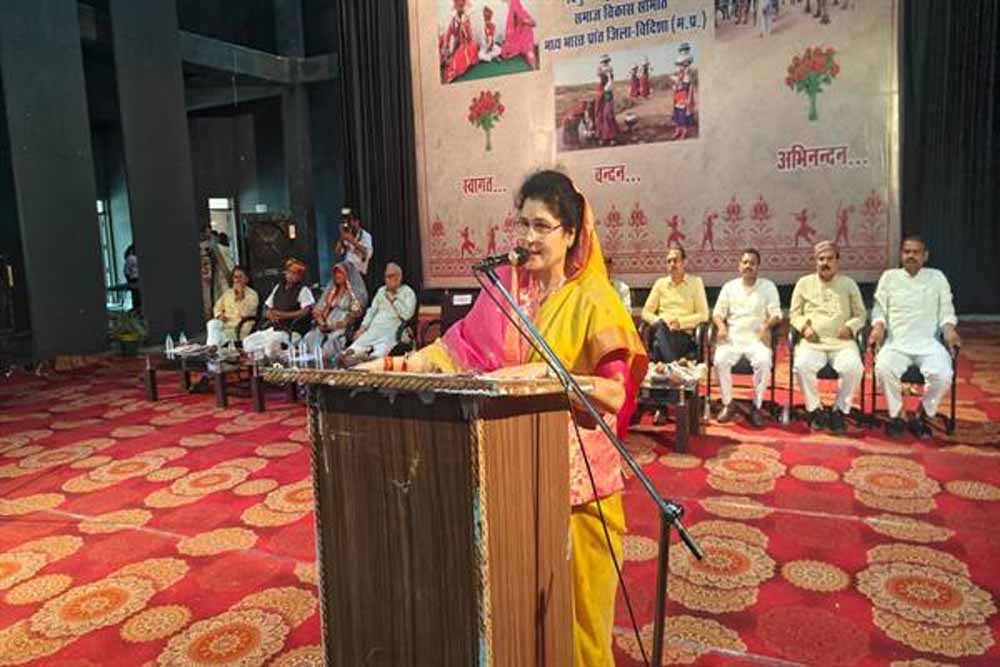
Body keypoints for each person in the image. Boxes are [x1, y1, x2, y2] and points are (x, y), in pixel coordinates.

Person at [361, 170, 647, 667]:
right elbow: (449, 353)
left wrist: (546, 377)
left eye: (542, 226)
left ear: (571, 233)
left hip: (582, 490)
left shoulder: (593, 299)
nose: (528, 237)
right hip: (514, 476)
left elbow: (615, 395)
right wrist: (390, 366)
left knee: (581, 625)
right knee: (520, 615)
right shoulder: (504, 295)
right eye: (523, 224)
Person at [869, 236, 960, 438]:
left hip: (929, 344)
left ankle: (922, 413)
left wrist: (949, 329)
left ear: (925, 256)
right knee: (883, 368)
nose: (911, 256)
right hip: (896, 343)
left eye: (916, 252)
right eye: (907, 252)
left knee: (943, 374)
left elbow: (946, 310)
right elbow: (879, 309)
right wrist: (878, 327)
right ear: (901, 255)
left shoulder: (937, 277)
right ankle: (898, 414)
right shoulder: (889, 277)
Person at [789, 240, 866, 433]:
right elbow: (794, 314)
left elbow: (861, 315)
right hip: (813, 343)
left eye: (830, 259)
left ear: (837, 261)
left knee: (854, 368)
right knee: (801, 366)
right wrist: (804, 328)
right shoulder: (804, 283)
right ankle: (815, 410)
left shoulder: (848, 284)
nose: (825, 263)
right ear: (815, 261)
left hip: (842, 343)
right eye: (821, 259)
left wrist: (850, 327)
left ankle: (839, 410)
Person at [712, 249, 782, 427]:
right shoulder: (729, 287)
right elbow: (717, 313)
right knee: (720, 360)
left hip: (757, 339)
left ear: (758, 267)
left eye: (752, 263)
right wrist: (721, 327)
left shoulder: (768, 287)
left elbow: (776, 313)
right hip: (732, 338)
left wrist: (766, 327)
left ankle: (756, 406)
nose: (748, 266)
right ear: (739, 266)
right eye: (745, 262)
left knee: (764, 362)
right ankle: (728, 403)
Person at [641, 246, 709, 364]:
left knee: (657, 346)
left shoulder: (695, 283)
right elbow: (645, 312)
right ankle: (675, 365)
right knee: (661, 330)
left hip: (683, 335)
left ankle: (670, 364)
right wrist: (659, 322)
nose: (672, 264)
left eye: (675, 260)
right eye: (669, 261)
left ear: (684, 262)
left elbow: (704, 315)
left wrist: (680, 323)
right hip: (662, 330)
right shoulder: (660, 284)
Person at [341, 262, 416, 365]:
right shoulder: (381, 291)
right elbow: (372, 311)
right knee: (354, 348)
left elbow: (407, 315)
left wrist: (394, 300)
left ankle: (371, 360)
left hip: (392, 329)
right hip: (374, 328)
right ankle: (352, 356)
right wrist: (362, 328)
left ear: (399, 277)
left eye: (390, 276)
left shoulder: (408, 293)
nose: (387, 280)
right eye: (386, 277)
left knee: (379, 355)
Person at [303, 261, 368, 362]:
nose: (337, 275)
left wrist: (334, 326)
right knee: (309, 338)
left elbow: (354, 315)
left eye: (340, 273)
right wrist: (321, 322)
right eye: (336, 273)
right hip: (325, 324)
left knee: (329, 345)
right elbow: (318, 310)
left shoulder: (355, 293)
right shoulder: (331, 290)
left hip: (342, 328)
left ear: (347, 275)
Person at [208, 265, 259, 344]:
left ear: (246, 279)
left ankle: (211, 347)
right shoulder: (228, 292)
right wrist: (219, 315)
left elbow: (245, 313)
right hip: (226, 324)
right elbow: (217, 307)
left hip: (240, 328)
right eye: (235, 277)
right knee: (212, 323)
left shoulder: (252, 294)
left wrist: (240, 295)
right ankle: (212, 346)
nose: (237, 280)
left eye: (240, 277)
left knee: (217, 336)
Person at [442, 0, 479, 83]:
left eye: (461, 5)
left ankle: (452, 72)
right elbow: (449, 33)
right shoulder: (454, 19)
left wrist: (462, 26)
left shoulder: (466, 19)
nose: (459, 7)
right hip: (457, 44)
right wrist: (447, 46)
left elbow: (468, 37)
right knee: (445, 54)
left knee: (458, 59)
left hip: (467, 44)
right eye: (457, 4)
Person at [335, 208, 374, 277]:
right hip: (348, 272)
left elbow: (366, 254)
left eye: (351, 221)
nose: (350, 225)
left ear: (357, 221)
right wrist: (342, 236)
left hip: (360, 273)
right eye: (348, 222)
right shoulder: (347, 234)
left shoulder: (366, 236)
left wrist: (352, 241)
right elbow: (337, 252)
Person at [499, 0, 537, 68]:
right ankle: (531, 60)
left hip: (522, 31)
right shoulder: (514, 12)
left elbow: (532, 23)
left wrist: (529, 21)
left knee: (527, 29)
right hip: (517, 31)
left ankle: (532, 61)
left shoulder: (521, 12)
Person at [595, 55, 621, 146]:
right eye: (603, 62)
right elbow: (598, 83)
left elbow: (609, 85)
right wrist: (600, 74)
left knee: (608, 114)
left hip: (607, 94)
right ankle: (602, 137)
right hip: (600, 95)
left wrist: (608, 76)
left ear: (608, 62)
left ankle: (612, 137)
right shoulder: (599, 71)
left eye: (606, 61)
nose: (604, 63)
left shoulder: (609, 72)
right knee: (600, 114)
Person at [671, 54, 697, 140]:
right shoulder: (678, 74)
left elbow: (691, 87)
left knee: (684, 115)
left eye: (682, 65)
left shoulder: (688, 75)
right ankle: (678, 130)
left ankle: (684, 132)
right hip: (678, 96)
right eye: (679, 65)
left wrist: (689, 98)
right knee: (677, 114)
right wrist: (675, 87)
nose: (680, 67)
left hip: (684, 96)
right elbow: (676, 85)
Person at [123, 244, 141, 315]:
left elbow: (126, 271)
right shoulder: (132, 258)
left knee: (135, 295)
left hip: (133, 278)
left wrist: (129, 280)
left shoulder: (128, 259)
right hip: (135, 278)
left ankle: (136, 310)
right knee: (137, 295)